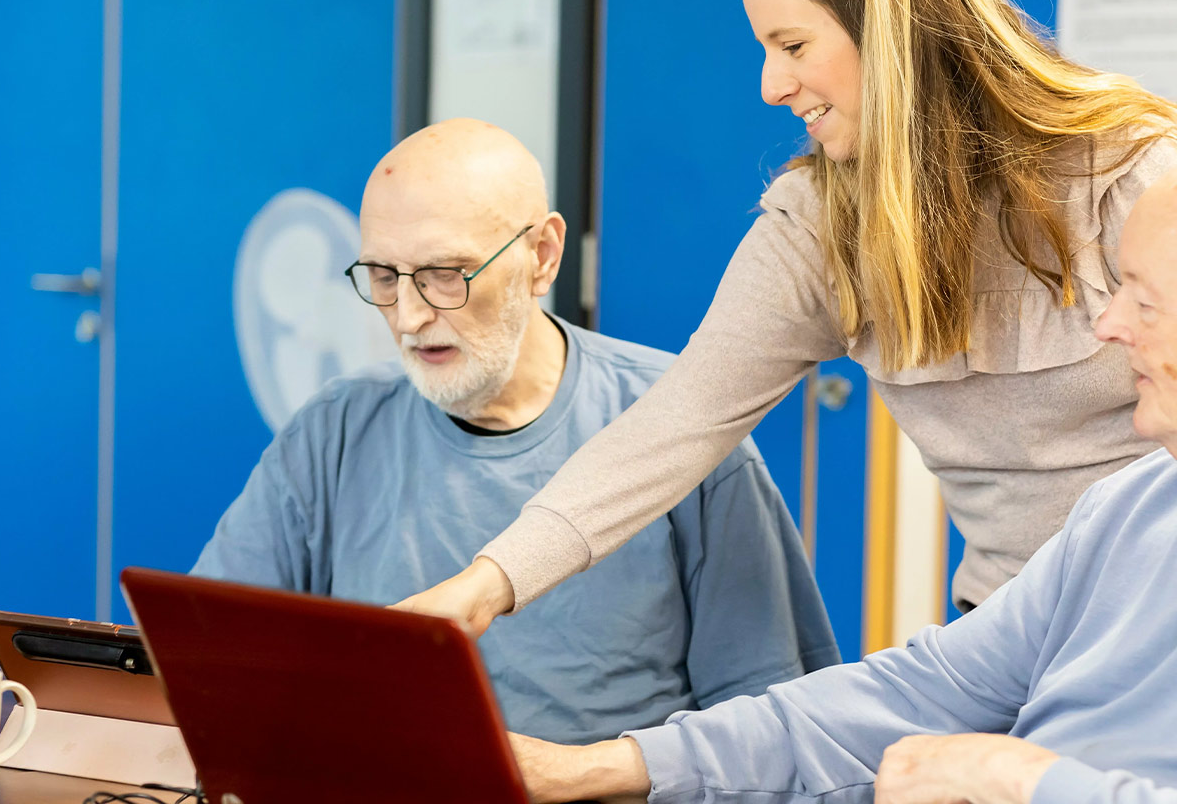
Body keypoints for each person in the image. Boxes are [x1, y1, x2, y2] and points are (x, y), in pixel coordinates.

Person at [397, 0, 1177, 632]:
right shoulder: (820, 224)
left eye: (792, 45)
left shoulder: (1121, 170)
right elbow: (675, 424)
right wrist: (489, 583)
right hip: (1009, 629)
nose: (770, 86)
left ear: (893, 31)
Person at [506, 138, 1177, 803]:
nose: (1108, 330)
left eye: (1143, 301)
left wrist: (1017, 777)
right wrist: (607, 766)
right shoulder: (1136, 503)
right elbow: (924, 690)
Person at [191, 118, 840, 745]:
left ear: (543, 256)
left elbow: (769, 728)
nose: (411, 317)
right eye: (385, 278)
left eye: (446, 274)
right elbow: (199, 658)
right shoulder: (334, 436)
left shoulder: (677, 432)